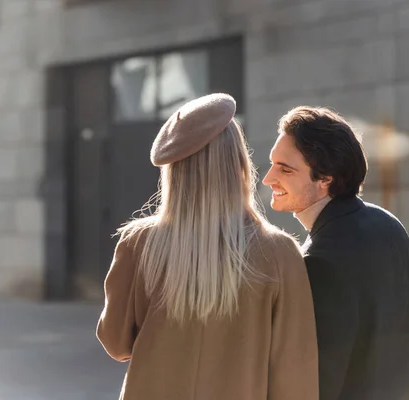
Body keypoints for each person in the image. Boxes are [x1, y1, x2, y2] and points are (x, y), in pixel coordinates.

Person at [96, 94, 319, 400]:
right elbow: (295, 374)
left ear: (173, 171)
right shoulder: (279, 254)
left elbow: (115, 342)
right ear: (239, 163)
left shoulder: (139, 242)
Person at [262, 106, 409, 400]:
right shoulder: (388, 224)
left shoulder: (321, 260)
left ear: (325, 179)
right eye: (272, 163)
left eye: (285, 168)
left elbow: (317, 382)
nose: (268, 178)